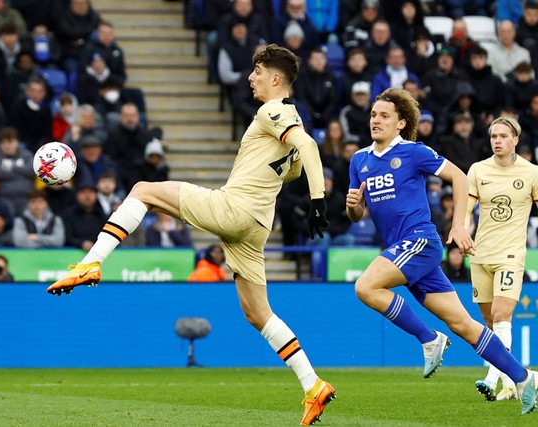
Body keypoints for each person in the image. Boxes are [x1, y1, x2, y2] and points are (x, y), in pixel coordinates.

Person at [47, 44, 335, 425]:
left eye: (258, 71)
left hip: (235, 210)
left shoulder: (273, 110)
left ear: (276, 78)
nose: (251, 77)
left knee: (142, 190)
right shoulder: (288, 121)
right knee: (258, 313)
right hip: (257, 227)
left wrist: (319, 201)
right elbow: (296, 165)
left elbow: (309, 147)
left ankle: (90, 263)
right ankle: (313, 385)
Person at [345, 87, 537, 415]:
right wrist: (353, 207)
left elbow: (459, 177)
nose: (375, 120)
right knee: (464, 325)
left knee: (365, 287)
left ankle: (429, 339)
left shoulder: (414, 152)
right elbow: (355, 214)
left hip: (420, 242)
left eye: (384, 116)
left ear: (401, 123)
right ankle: (523, 378)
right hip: (400, 249)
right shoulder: (359, 160)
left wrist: (459, 224)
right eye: (373, 115)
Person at [466, 116, 538, 402]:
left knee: (501, 316)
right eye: (493, 136)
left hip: (511, 254)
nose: (497, 141)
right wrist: (461, 231)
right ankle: (513, 382)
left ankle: (491, 377)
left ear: (515, 140)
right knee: (489, 323)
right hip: (480, 254)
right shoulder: (478, 170)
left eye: (503, 136)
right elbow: (466, 210)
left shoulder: (532, 173)